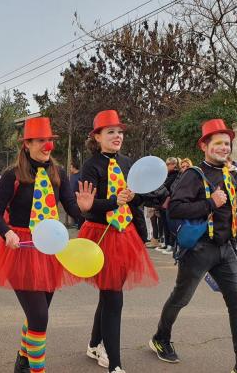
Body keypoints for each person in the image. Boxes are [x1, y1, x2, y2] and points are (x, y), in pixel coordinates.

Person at [0, 116, 94, 373]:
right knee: (39, 317)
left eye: (50, 140)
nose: (47, 145)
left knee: (38, 314)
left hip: (50, 250)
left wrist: (84, 212)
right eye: (41, 140)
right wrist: (6, 232)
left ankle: (23, 357)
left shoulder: (58, 173)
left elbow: (70, 205)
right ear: (27, 144)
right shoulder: (12, 176)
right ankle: (36, 370)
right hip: (20, 249)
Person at [149, 119, 237, 373]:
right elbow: (174, 209)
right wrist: (211, 203)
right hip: (198, 249)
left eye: (227, 143)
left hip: (225, 249)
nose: (224, 148)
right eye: (218, 143)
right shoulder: (193, 175)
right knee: (180, 298)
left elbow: (234, 196)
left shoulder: (228, 173)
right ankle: (160, 338)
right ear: (204, 146)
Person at [80, 110, 158, 373]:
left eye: (120, 131)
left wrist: (136, 198)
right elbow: (89, 207)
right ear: (97, 137)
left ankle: (94, 344)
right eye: (110, 131)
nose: (117, 136)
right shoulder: (91, 166)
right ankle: (115, 364)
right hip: (101, 235)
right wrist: (116, 200)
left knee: (109, 294)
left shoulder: (127, 162)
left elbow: (136, 201)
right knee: (114, 298)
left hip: (125, 237)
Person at [157, 157, 180, 255]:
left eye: (168, 164)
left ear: (174, 165)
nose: (166, 166)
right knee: (164, 224)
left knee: (170, 225)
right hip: (163, 202)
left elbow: (166, 187)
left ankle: (171, 245)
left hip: (169, 202)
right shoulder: (166, 175)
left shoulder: (175, 175)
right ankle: (167, 243)